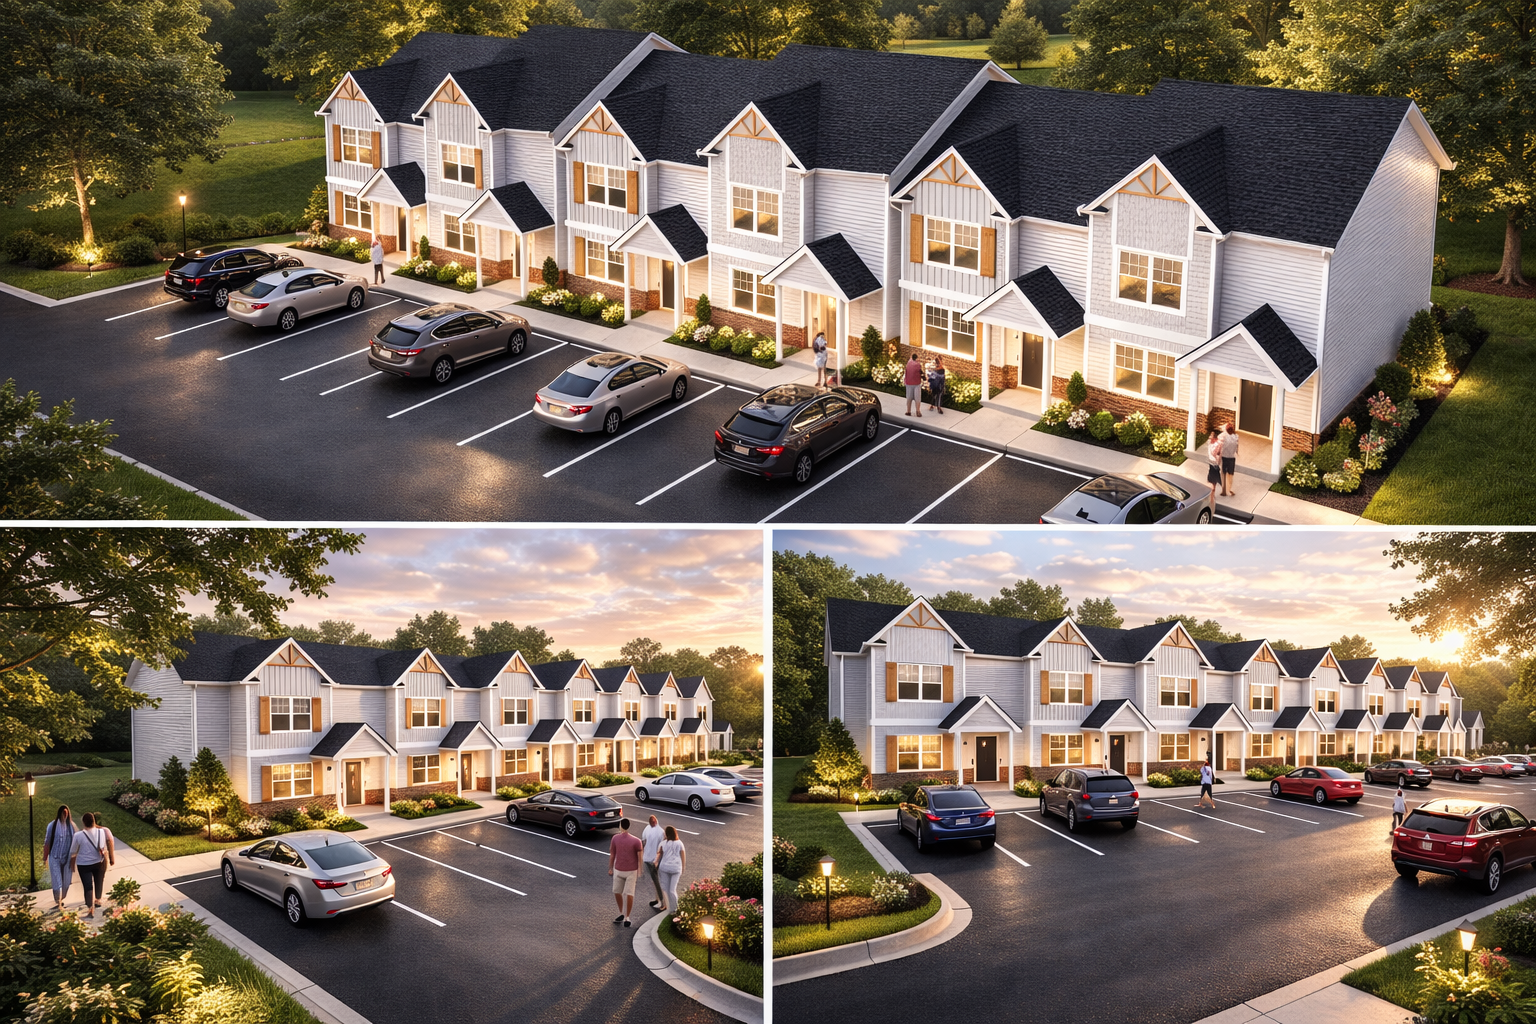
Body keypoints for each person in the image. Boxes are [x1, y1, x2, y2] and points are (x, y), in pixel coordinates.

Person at [68, 811, 114, 918]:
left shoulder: (78, 835)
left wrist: (72, 862)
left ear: (84, 823)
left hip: (84, 864)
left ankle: (90, 908)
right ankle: (98, 900)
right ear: (94, 821)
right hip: (99, 862)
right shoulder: (101, 832)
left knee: (88, 886)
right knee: (99, 881)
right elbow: (103, 845)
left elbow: (73, 851)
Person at [608, 817, 644, 927]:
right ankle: (625, 915)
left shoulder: (615, 838)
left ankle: (624, 915)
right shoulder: (636, 841)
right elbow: (640, 857)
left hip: (620, 869)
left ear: (620, 826)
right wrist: (640, 870)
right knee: (626, 893)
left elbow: (612, 854)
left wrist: (610, 868)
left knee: (620, 892)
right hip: (630, 870)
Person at [42, 806, 75, 912]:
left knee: (66, 882)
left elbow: (75, 843)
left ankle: (62, 897)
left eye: (66, 813)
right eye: (63, 813)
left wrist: (74, 859)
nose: (65, 815)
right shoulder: (52, 825)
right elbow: (47, 842)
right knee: (57, 881)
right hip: (54, 857)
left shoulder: (71, 826)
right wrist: (45, 857)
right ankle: (58, 901)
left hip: (66, 858)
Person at [654, 825, 686, 914]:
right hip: (676, 869)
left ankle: (668, 907)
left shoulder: (662, 844)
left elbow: (659, 855)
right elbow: (683, 855)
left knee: (665, 888)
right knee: (672, 890)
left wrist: (655, 863)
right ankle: (675, 908)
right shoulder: (680, 843)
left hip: (664, 868)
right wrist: (683, 867)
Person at [641, 815, 666, 910]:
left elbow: (661, 848)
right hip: (648, 858)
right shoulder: (648, 829)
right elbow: (643, 841)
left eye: (653, 821)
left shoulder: (660, 832)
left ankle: (662, 901)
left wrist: (657, 860)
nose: (653, 822)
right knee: (654, 880)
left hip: (653, 860)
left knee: (656, 880)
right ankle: (657, 899)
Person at [1205, 430, 1223, 510]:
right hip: (1211, 464)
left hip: (1214, 465)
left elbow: (1214, 453)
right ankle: (1212, 495)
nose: (1209, 437)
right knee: (1212, 480)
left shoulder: (1217, 444)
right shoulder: (1211, 442)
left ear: (1215, 438)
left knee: (1211, 481)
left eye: (1211, 436)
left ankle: (1211, 497)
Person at [1221, 423, 1239, 496]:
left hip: (1225, 457)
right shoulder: (1236, 436)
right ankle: (1229, 489)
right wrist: (1237, 451)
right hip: (1232, 458)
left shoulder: (1224, 436)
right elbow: (1237, 446)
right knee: (1230, 474)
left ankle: (1224, 490)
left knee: (1224, 473)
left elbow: (1222, 446)